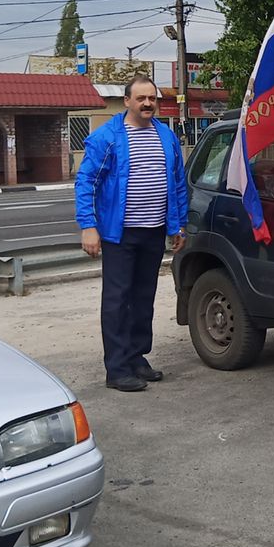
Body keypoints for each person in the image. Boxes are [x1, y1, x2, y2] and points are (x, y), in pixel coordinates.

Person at [75, 76, 188, 391]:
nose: (148, 103)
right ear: (127, 101)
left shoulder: (166, 136)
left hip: (154, 231)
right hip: (119, 234)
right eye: (141, 98)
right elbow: (86, 182)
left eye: (152, 98)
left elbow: (178, 183)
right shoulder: (107, 138)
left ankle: (137, 358)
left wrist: (178, 225)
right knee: (117, 301)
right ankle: (117, 368)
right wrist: (88, 226)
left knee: (143, 298)